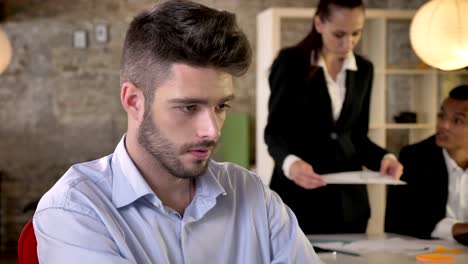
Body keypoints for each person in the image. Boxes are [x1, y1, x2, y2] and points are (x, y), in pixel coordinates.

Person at [32, 1, 322, 263]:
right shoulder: (75, 210)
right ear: (134, 101)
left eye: (221, 106)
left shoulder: (253, 195)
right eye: (188, 107)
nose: (212, 130)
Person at [264, 0, 403, 234]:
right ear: (319, 23)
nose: (348, 43)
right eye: (339, 34)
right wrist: (291, 163)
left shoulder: (364, 70)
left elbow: (356, 136)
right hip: (299, 200)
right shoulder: (291, 63)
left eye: (356, 33)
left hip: (350, 206)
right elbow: (274, 132)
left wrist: (384, 158)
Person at [386, 85, 468, 244]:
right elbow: (399, 222)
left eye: (457, 120)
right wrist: (457, 228)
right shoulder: (415, 157)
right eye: (441, 116)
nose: (443, 125)